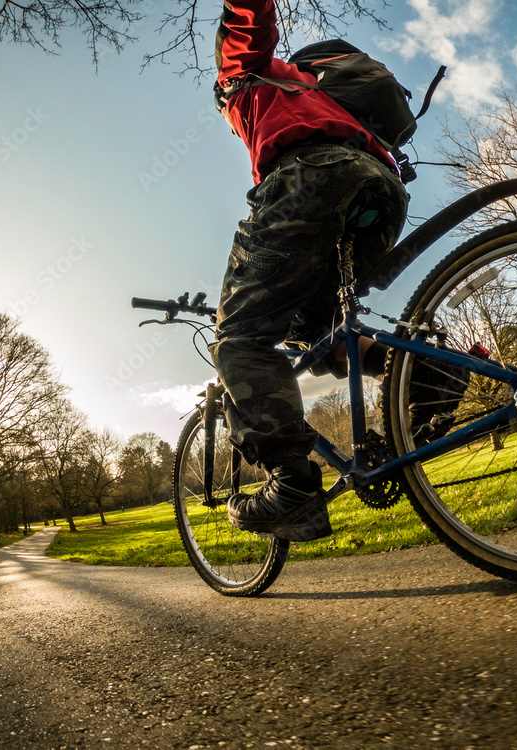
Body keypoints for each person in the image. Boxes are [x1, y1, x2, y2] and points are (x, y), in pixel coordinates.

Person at [209, 0, 409, 542]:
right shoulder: (324, 95)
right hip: (381, 189)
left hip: (312, 176)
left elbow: (248, 20)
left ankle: (293, 487)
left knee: (239, 337)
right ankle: (425, 373)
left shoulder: (246, 76)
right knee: (311, 331)